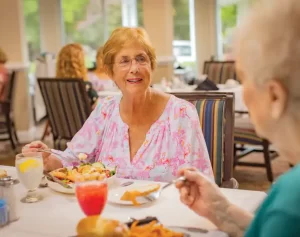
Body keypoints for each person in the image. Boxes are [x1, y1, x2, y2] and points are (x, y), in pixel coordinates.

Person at [22, 27, 213, 182]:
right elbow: (73, 158)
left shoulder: (181, 114)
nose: (134, 68)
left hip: (164, 222)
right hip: (108, 216)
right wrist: (47, 159)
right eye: (124, 61)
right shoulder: (106, 110)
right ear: (110, 72)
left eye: (141, 59)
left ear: (152, 65)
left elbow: (201, 183)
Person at [176, 0, 300, 236]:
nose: (243, 91)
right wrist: (221, 211)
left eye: (244, 79)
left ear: (275, 96)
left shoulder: (292, 202)